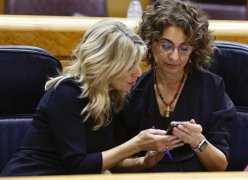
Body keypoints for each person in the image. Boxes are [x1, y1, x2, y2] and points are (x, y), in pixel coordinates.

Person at [1, 19, 183, 176]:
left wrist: (143, 162)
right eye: (130, 66)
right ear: (106, 65)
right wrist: (136, 144)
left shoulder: (113, 97)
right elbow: (79, 166)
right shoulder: (66, 93)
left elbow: (101, 160)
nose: (138, 72)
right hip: (32, 176)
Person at [117, 0, 236, 172]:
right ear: (152, 42)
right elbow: (115, 164)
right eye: (166, 46)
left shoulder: (212, 87)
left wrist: (198, 142)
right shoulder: (132, 89)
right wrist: (143, 159)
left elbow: (220, 166)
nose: (174, 57)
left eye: (184, 48)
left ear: (194, 49)